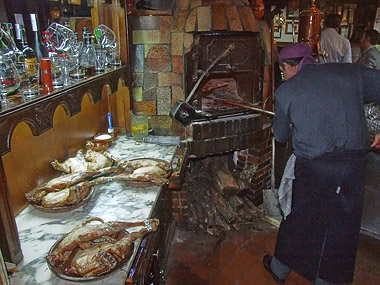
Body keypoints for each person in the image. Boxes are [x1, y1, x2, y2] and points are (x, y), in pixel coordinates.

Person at [263, 43, 380, 285]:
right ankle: (324, 279)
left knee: (298, 218)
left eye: (281, 69)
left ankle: (281, 268)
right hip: (355, 165)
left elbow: (280, 135)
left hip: (315, 168)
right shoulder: (348, 71)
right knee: (343, 225)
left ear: (286, 66)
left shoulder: (286, 92)